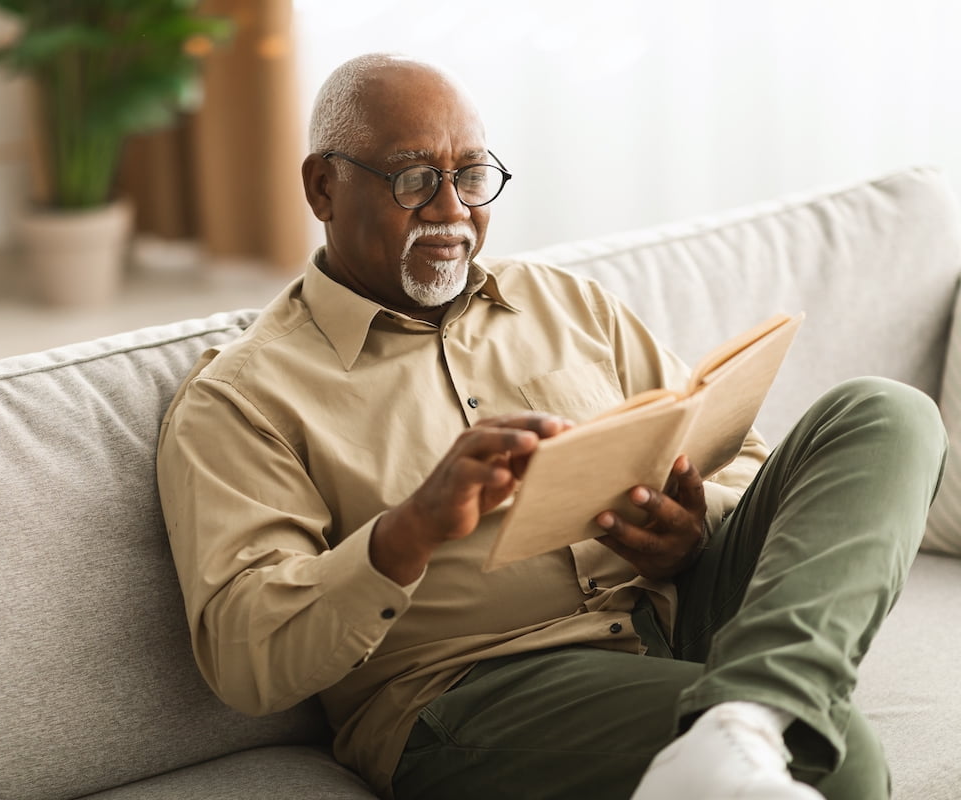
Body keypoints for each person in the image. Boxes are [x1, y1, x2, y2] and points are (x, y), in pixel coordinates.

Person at [157, 53, 946, 800]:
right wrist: (410, 530)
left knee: (885, 411)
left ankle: (749, 713)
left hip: (674, 610)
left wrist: (694, 527)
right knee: (828, 753)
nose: (452, 211)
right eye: (414, 179)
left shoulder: (560, 301)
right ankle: (765, 720)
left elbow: (730, 451)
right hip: (474, 688)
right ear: (323, 188)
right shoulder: (243, 397)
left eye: (471, 175)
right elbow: (244, 654)